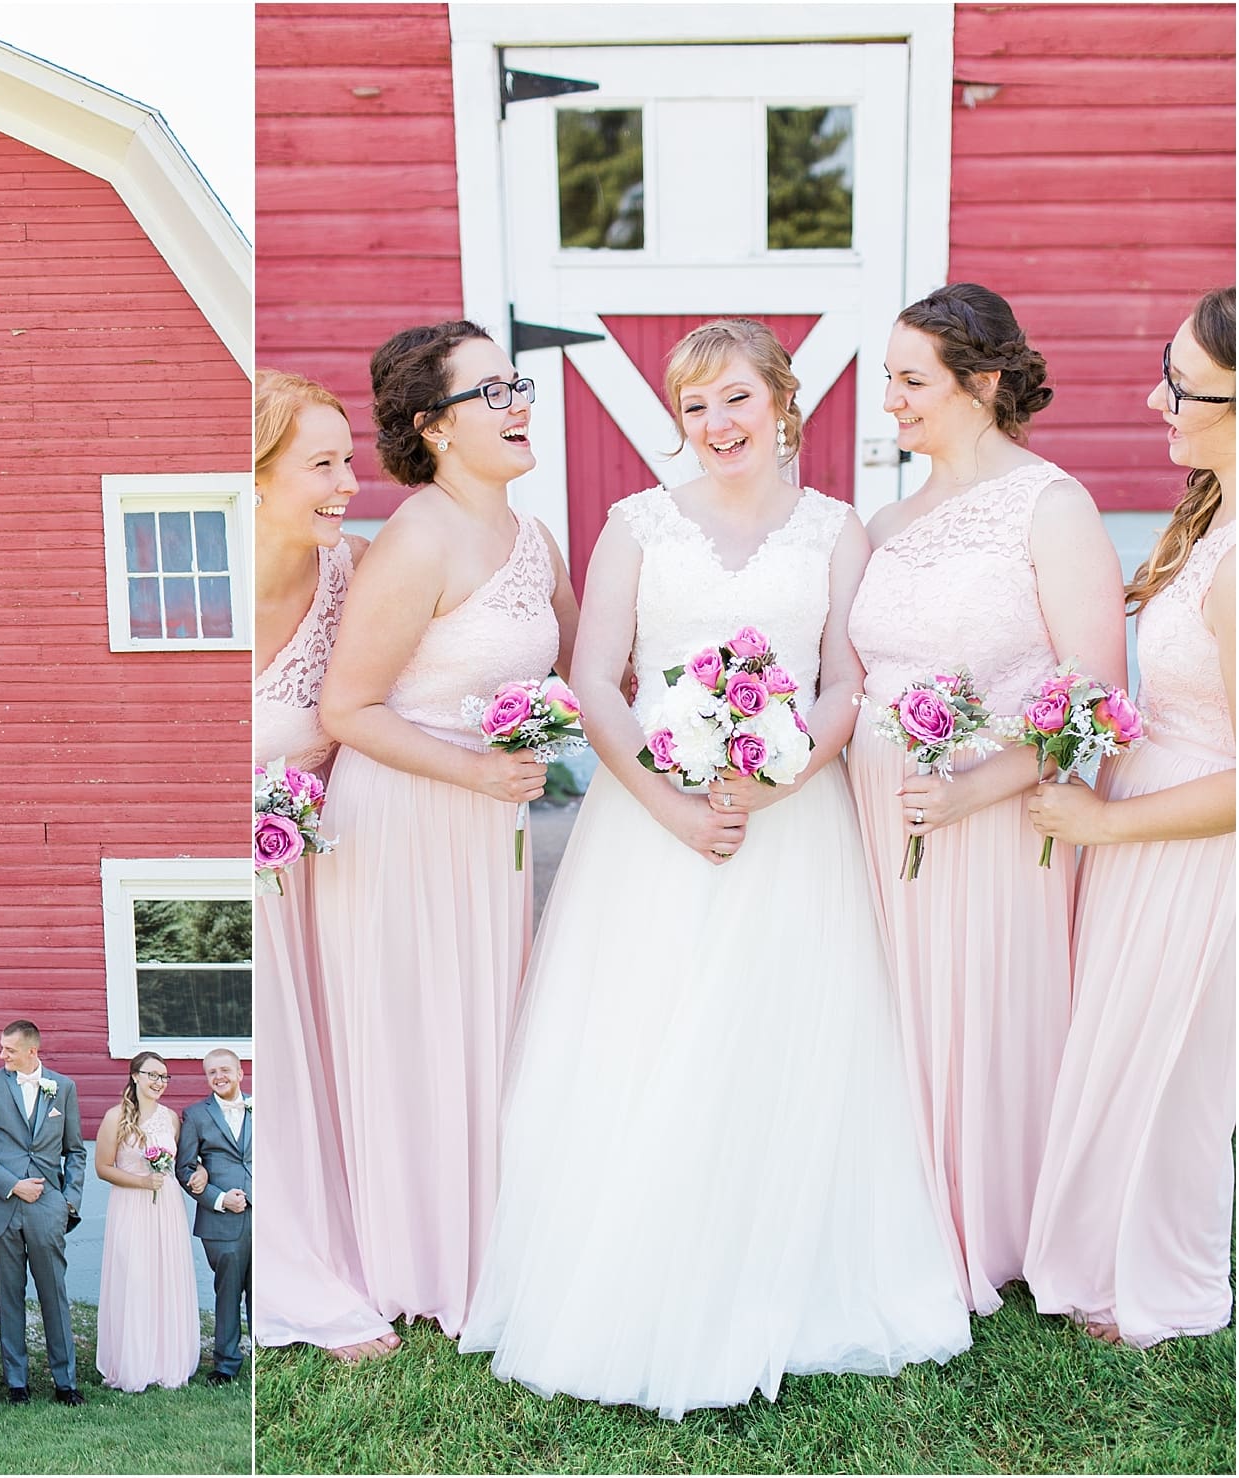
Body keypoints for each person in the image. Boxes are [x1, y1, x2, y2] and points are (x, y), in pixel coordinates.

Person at [460, 319, 970, 1418]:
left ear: (782, 403)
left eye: (735, 399)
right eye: (695, 408)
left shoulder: (836, 531)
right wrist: (667, 799)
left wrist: (786, 773)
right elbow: (597, 677)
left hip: (794, 821)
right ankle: (635, 1262)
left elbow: (842, 679)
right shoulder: (635, 525)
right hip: (650, 823)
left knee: (787, 1032)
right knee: (647, 1030)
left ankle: (788, 1264)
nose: (718, 425)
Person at [847, 283, 1128, 1313]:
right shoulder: (885, 520)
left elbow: (1098, 693)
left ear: (986, 381)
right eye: (888, 378)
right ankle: (908, 1204)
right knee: (896, 1006)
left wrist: (977, 788)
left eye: (912, 380)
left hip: (1002, 813)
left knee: (989, 1001)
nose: (892, 402)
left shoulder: (1053, 505)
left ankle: (1005, 1219)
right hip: (885, 810)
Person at [313, 320, 577, 1336]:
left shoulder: (534, 536)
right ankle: (419, 1259)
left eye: (517, 385)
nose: (517, 404)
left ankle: (492, 1236)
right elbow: (350, 708)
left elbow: (589, 676)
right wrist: (479, 768)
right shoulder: (416, 539)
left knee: (485, 1023)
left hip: (484, 824)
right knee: (416, 1030)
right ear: (433, 427)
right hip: (405, 816)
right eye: (490, 393)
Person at [1024, 285, 1237, 1346]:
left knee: (1177, 1066)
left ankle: (1163, 1276)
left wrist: (1104, 824)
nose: (1157, 397)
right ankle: (1101, 1248)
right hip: (1146, 826)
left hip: (1194, 850)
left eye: (1182, 385)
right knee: (1124, 1045)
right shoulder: (1211, 518)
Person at [251, 369, 396, 1362]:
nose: (349, 482)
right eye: (322, 463)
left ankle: (375, 1229)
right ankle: (290, 1259)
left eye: (350, 458)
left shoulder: (351, 572)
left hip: (319, 863)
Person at [0, 1019, 88, 1404]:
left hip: (47, 1206)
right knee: (9, 1295)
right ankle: (17, 1383)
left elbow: (76, 1152)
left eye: (10, 1050)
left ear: (32, 1051)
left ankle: (65, 1382)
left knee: (54, 1293)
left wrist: (68, 1202)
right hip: (3, 1204)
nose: (2, 1056)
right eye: (1, 1049)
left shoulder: (63, 1088)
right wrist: (10, 1184)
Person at [91, 1053, 201, 1392]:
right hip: (131, 1204)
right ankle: (133, 1360)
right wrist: (141, 1182)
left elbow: (184, 1163)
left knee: (165, 1276)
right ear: (135, 1076)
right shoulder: (116, 1117)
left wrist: (201, 1171)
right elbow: (103, 1168)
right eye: (152, 1074)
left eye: (164, 1077)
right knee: (134, 1277)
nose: (159, 1082)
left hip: (166, 1206)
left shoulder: (171, 1119)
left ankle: (166, 1360)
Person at [177, 1049, 252, 1385]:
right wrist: (220, 1199)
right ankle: (226, 1363)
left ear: (239, 1072)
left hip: (266, 1218)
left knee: (265, 1288)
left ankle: (266, 1348)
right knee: (228, 1289)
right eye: (211, 1073)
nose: (218, 1077)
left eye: (224, 1070)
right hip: (222, 1219)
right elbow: (185, 1168)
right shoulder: (195, 1115)